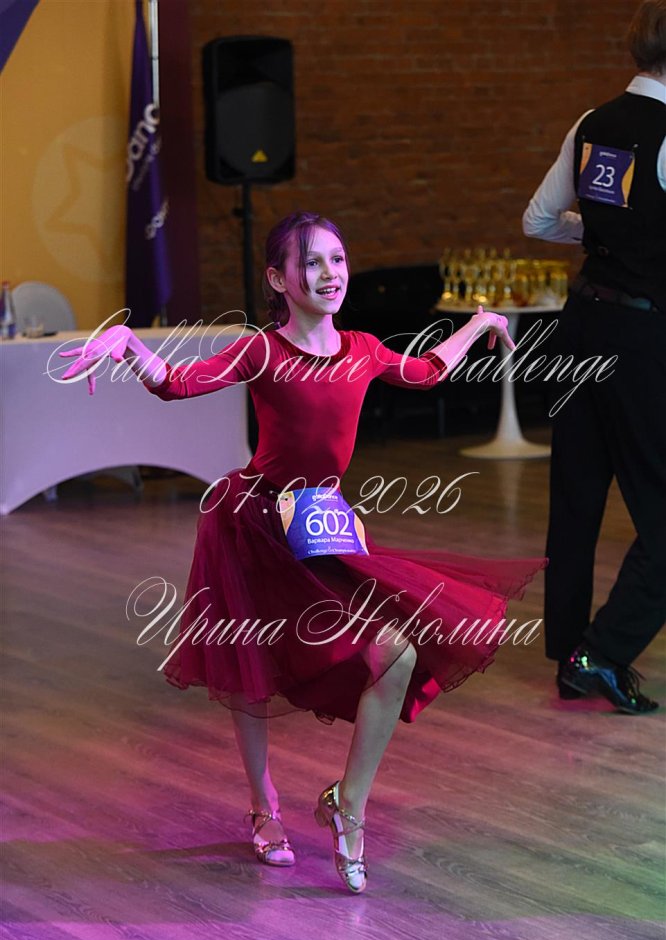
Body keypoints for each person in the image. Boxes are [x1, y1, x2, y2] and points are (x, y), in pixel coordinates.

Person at [61, 212, 545, 893]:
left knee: (396, 654)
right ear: (278, 278)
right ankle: (264, 808)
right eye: (312, 262)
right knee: (251, 670)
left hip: (323, 524)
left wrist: (478, 323)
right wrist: (128, 344)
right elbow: (177, 382)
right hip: (253, 525)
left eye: (337, 259)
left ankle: (349, 805)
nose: (329, 273)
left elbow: (428, 370)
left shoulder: (363, 348)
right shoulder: (262, 351)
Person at [522, 0, 665, 714]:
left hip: (581, 326)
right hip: (641, 337)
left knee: (577, 495)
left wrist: (605, 230)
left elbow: (538, 219)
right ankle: (601, 653)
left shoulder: (591, 122)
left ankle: (569, 655)